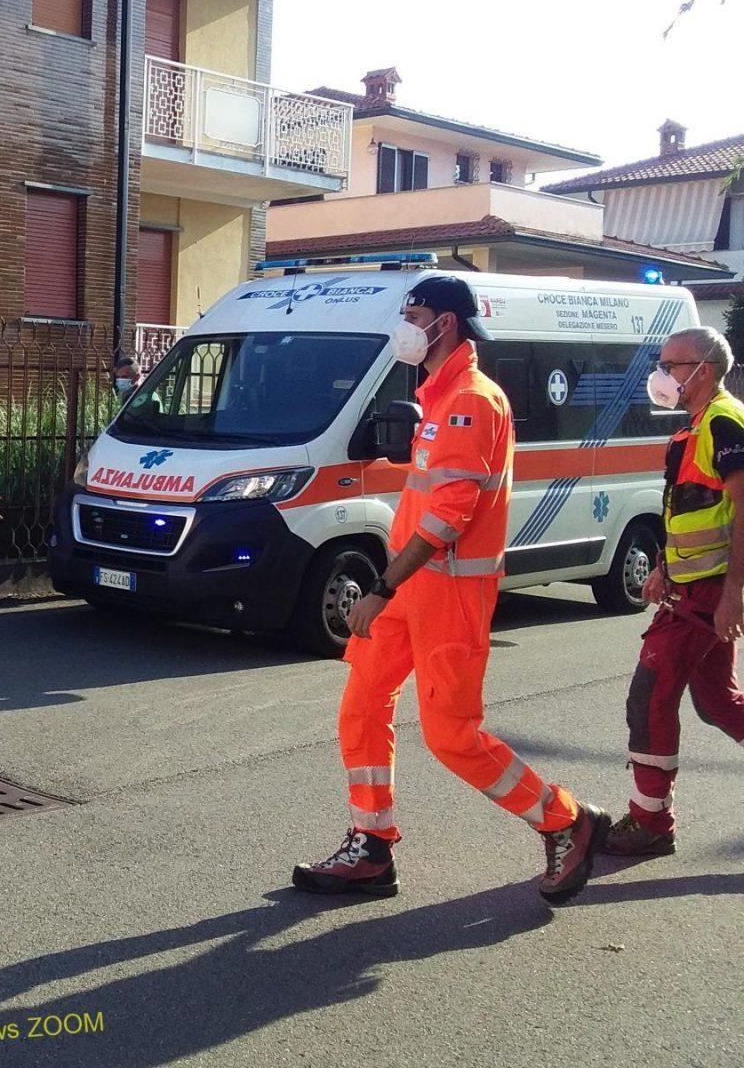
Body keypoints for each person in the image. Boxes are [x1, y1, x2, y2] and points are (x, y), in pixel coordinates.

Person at [292, 275, 609, 904]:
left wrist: (381, 586)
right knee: (360, 707)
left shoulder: (472, 401)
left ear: (448, 324)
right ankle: (372, 844)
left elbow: (449, 517)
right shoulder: (438, 397)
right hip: (412, 591)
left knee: (452, 736)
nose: (404, 324)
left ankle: (565, 818)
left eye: (415, 313)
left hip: (446, 598)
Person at [603, 326, 744, 856]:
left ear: (702, 370)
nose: (660, 376)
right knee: (717, 702)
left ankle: (650, 823)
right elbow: (687, 510)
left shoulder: (724, 422)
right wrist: (663, 565)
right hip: (694, 586)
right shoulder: (695, 429)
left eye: (670, 365)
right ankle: (650, 819)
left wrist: (733, 592)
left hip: (709, 592)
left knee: (650, 696)